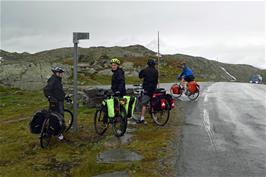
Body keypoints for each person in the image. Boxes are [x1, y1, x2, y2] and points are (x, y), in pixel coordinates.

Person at [44, 66, 66, 140]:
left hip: (58, 101)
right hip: (56, 102)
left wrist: (65, 96)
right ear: (57, 73)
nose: (62, 74)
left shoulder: (57, 79)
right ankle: (58, 133)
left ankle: (51, 131)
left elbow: (58, 91)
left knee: (54, 117)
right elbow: (46, 90)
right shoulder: (53, 80)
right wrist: (50, 98)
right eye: (61, 73)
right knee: (59, 118)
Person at [137, 59, 158, 124]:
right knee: (153, 103)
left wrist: (142, 70)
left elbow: (140, 76)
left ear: (148, 64)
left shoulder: (146, 70)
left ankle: (142, 118)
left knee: (144, 104)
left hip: (147, 89)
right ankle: (155, 118)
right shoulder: (156, 71)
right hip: (154, 89)